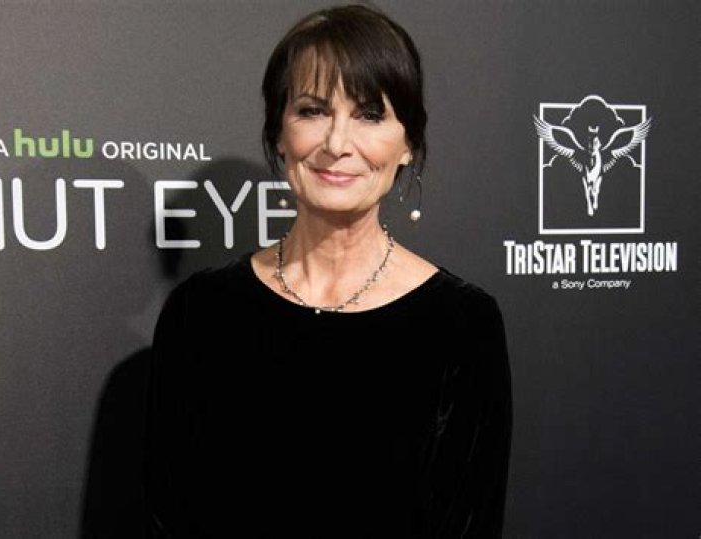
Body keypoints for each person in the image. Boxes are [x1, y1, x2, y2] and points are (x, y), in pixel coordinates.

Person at [144, 3, 513, 538]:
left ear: (408, 143)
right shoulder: (200, 313)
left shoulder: (462, 325)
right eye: (313, 111)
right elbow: (167, 516)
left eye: (370, 115)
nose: (337, 144)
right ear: (279, 133)